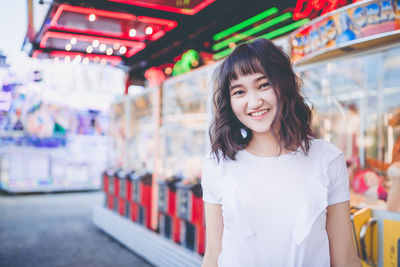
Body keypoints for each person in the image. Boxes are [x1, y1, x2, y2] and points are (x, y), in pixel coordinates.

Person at [201, 38, 361, 267]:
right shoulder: (217, 165)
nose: (254, 102)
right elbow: (213, 255)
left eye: (263, 85)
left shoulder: (327, 159)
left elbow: (345, 258)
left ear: (284, 84)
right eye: (239, 92)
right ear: (229, 100)